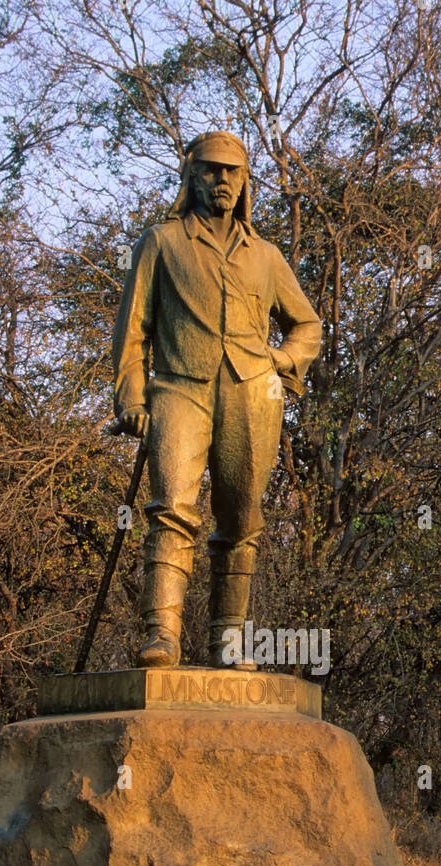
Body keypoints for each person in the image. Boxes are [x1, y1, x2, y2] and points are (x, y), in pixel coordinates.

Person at [112, 129, 322, 668]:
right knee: (171, 509)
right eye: (210, 169)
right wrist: (131, 397)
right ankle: (162, 635)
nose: (221, 179)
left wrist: (280, 360)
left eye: (231, 171)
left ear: (245, 180)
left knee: (242, 520)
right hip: (179, 388)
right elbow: (132, 331)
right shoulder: (160, 242)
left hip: (252, 395)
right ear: (192, 175)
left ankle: (228, 646)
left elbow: (307, 326)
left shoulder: (266, 257)